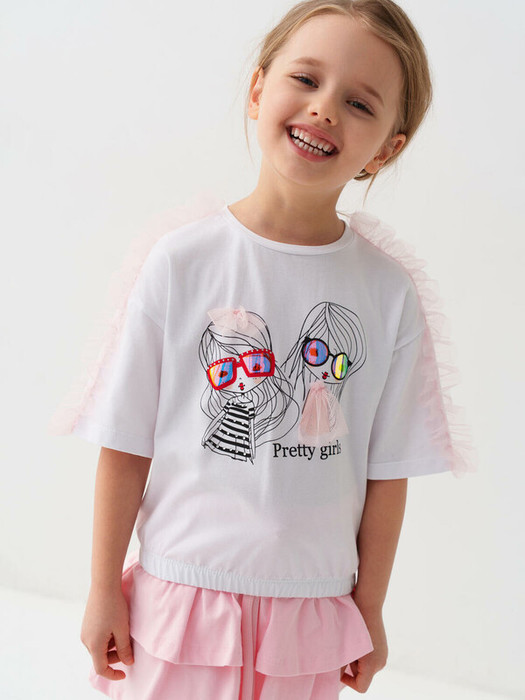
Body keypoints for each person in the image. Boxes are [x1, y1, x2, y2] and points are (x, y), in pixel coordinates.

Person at [51, 0, 475, 697]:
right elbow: (125, 443)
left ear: (387, 149)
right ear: (258, 90)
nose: (324, 109)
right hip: (180, 596)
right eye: (305, 79)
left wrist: (368, 607)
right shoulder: (181, 263)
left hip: (312, 614)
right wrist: (102, 589)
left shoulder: (386, 293)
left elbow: (387, 473)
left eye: (359, 103)